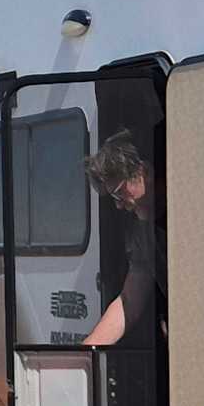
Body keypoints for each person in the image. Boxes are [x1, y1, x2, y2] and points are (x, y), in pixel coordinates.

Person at [83, 132, 155, 348]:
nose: (118, 204)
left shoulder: (186, 219)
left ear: (143, 171)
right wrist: (87, 351)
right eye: (113, 198)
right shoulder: (141, 232)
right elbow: (129, 300)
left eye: (119, 193)